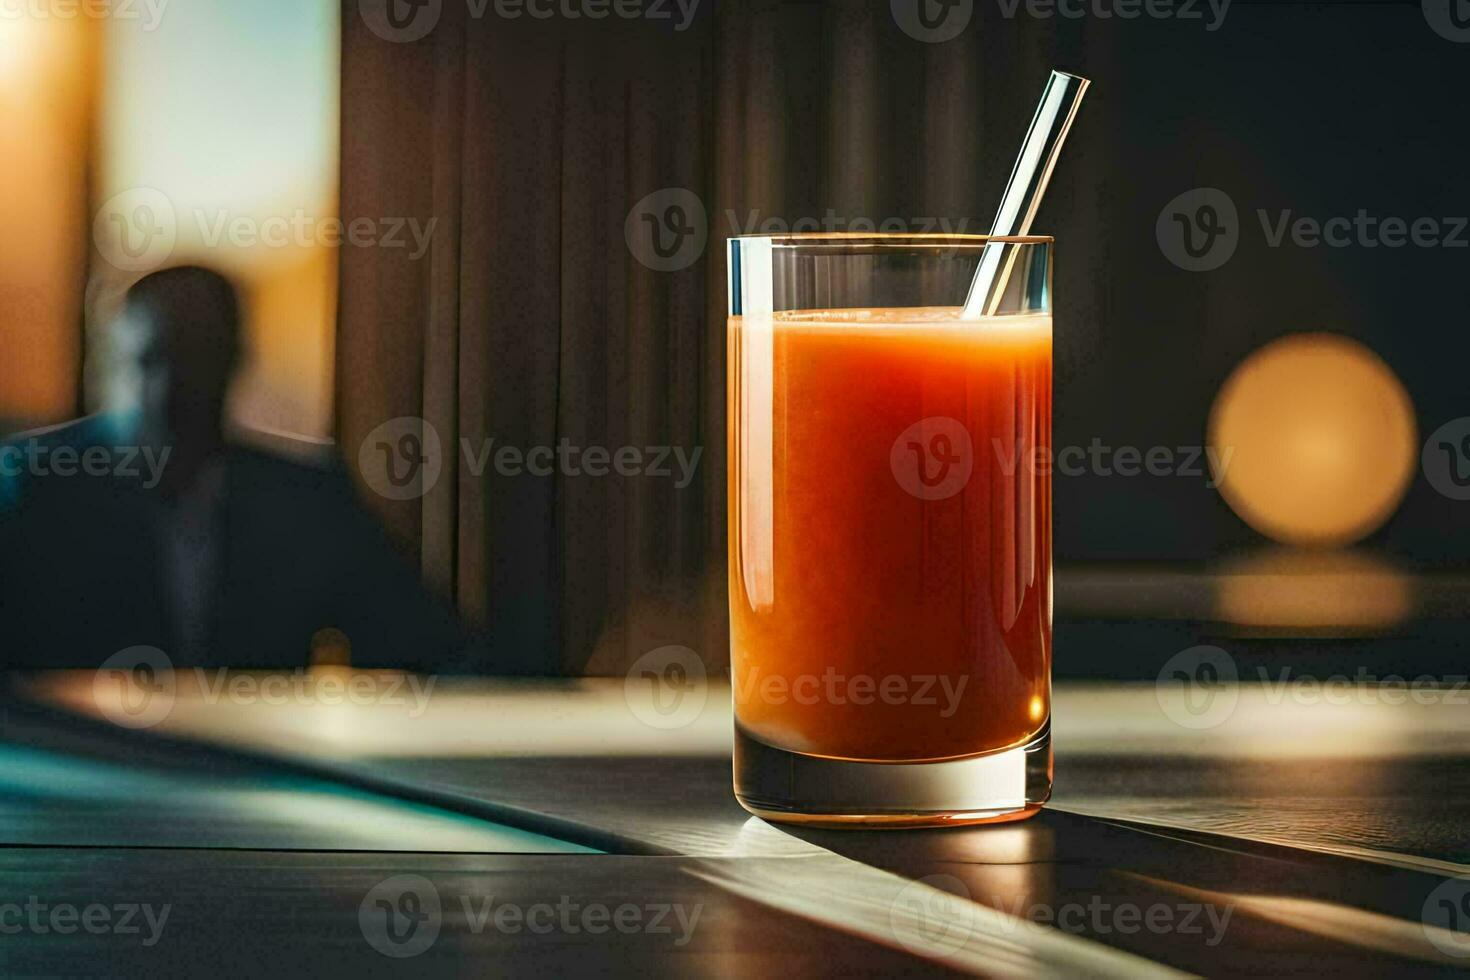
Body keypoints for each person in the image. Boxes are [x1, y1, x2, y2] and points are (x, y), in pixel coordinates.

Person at [0, 266, 468, 671]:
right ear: (111, 367)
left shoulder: (303, 503)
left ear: (234, 361)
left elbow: (429, 643)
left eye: (194, 359)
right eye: (149, 361)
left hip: (256, 769)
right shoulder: (31, 489)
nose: (169, 390)